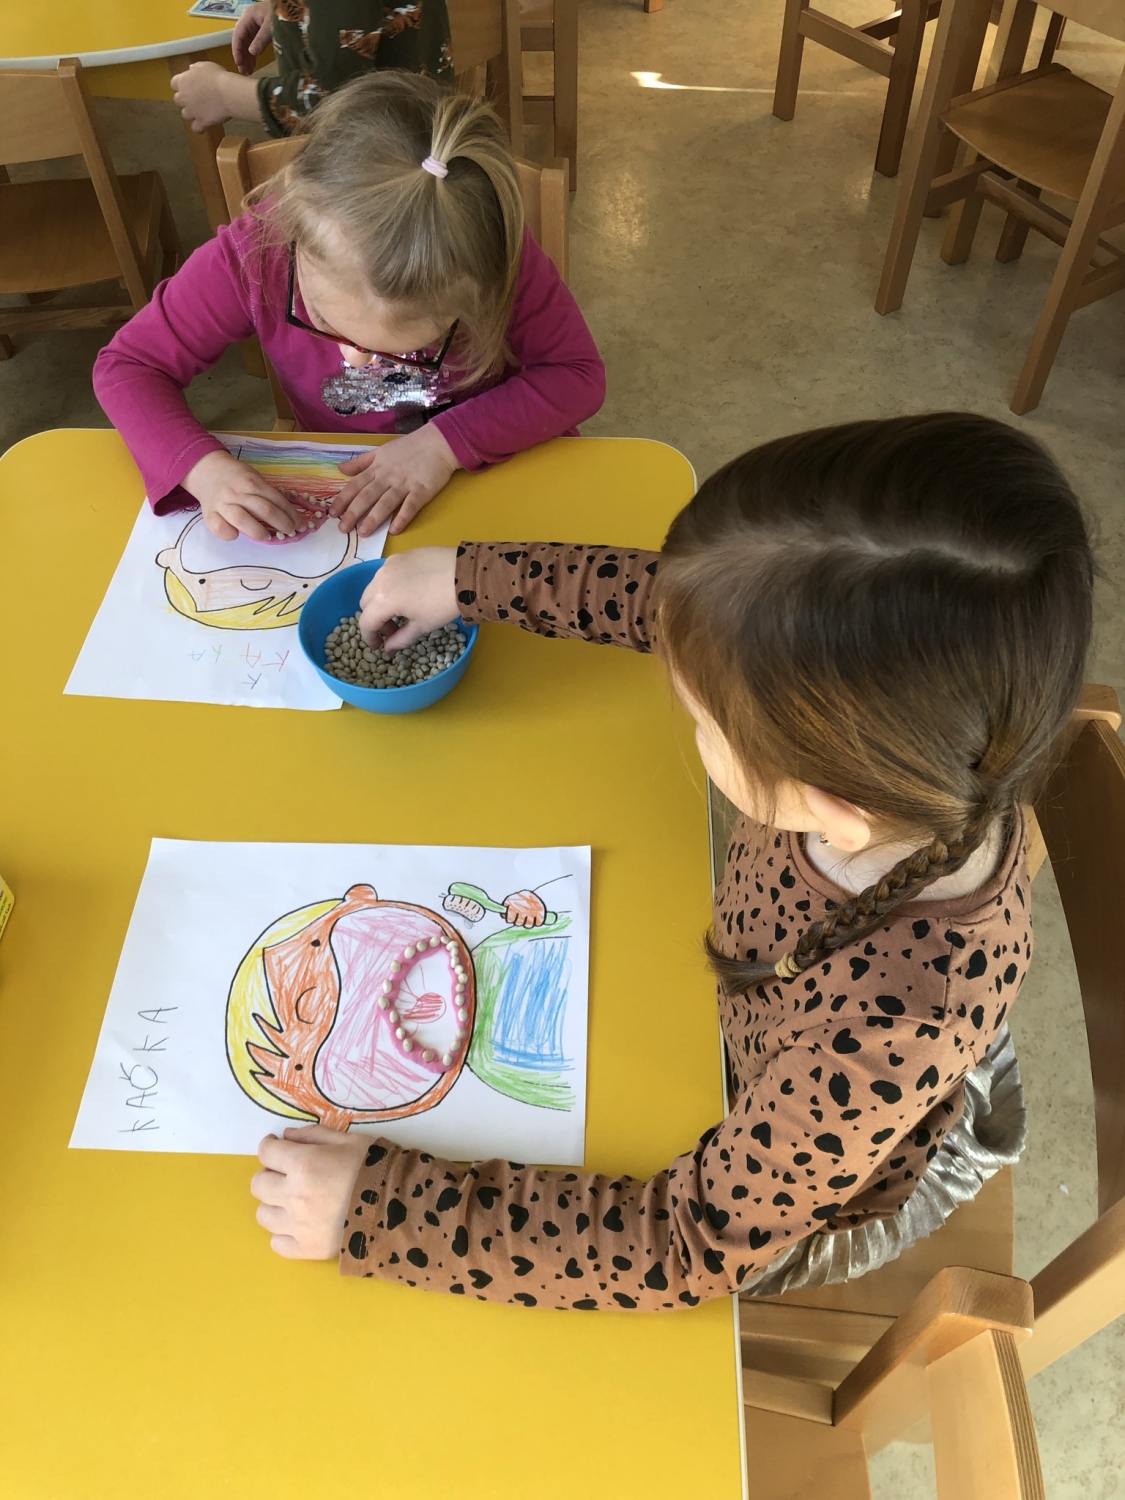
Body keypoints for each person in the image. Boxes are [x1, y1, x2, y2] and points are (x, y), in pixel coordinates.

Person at [248, 413, 1095, 1309]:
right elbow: (688, 605)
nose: (684, 707)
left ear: (827, 803)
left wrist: (383, 1210)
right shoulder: (895, 747)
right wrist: (467, 578)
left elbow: (684, 1245)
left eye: (701, 717)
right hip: (767, 1029)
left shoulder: (891, 1032)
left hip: (799, 1192)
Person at [94, 74, 604, 543]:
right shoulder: (254, 256)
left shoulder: (489, 258)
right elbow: (129, 367)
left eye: (405, 347)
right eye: (324, 321)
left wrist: (443, 445)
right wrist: (201, 468)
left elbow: (576, 375)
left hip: (497, 471)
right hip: (347, 487)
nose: (356, 361)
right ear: (295, 224)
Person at [171, 0, 454, 139]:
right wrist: (287, 10)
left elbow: (333, 101)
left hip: (380, 168)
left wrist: (224, 94)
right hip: (420, 124)